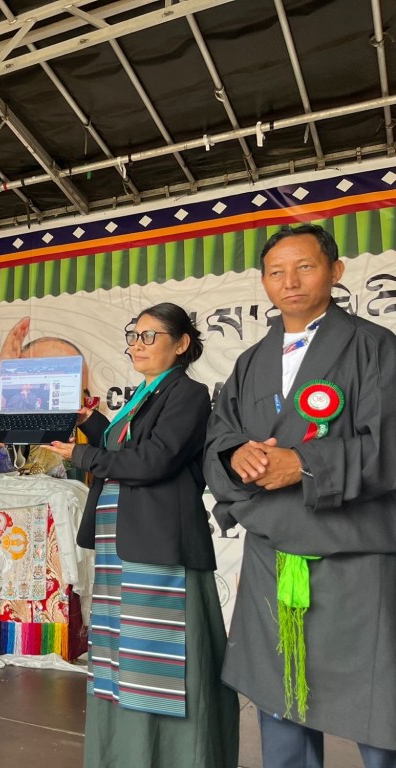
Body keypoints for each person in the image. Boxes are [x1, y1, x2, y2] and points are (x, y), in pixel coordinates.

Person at [204, 223, 396, 768]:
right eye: (276, 271)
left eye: (304, 267)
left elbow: (389, 443)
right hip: (273, 551)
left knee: (376, 702)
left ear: (335, 272)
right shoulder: (251, 360)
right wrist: (235, 454)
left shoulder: (375, 347)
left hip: (353, 552)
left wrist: (306, 464)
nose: (289, 282)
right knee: (279, 696)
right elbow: (220, 434)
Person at [42, 302, 239, 768]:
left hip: (159, 544)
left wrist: (82, 455)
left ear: (182, 344)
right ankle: (125, 754)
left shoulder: (187, 393)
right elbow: (123, 445)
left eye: (150, 336)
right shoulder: (146, 393)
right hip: (122, 543)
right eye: (134, 335)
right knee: (121, 655)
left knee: (158, 656)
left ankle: (172, 756)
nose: (137, 344)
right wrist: (89, 422)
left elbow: (153, 460)